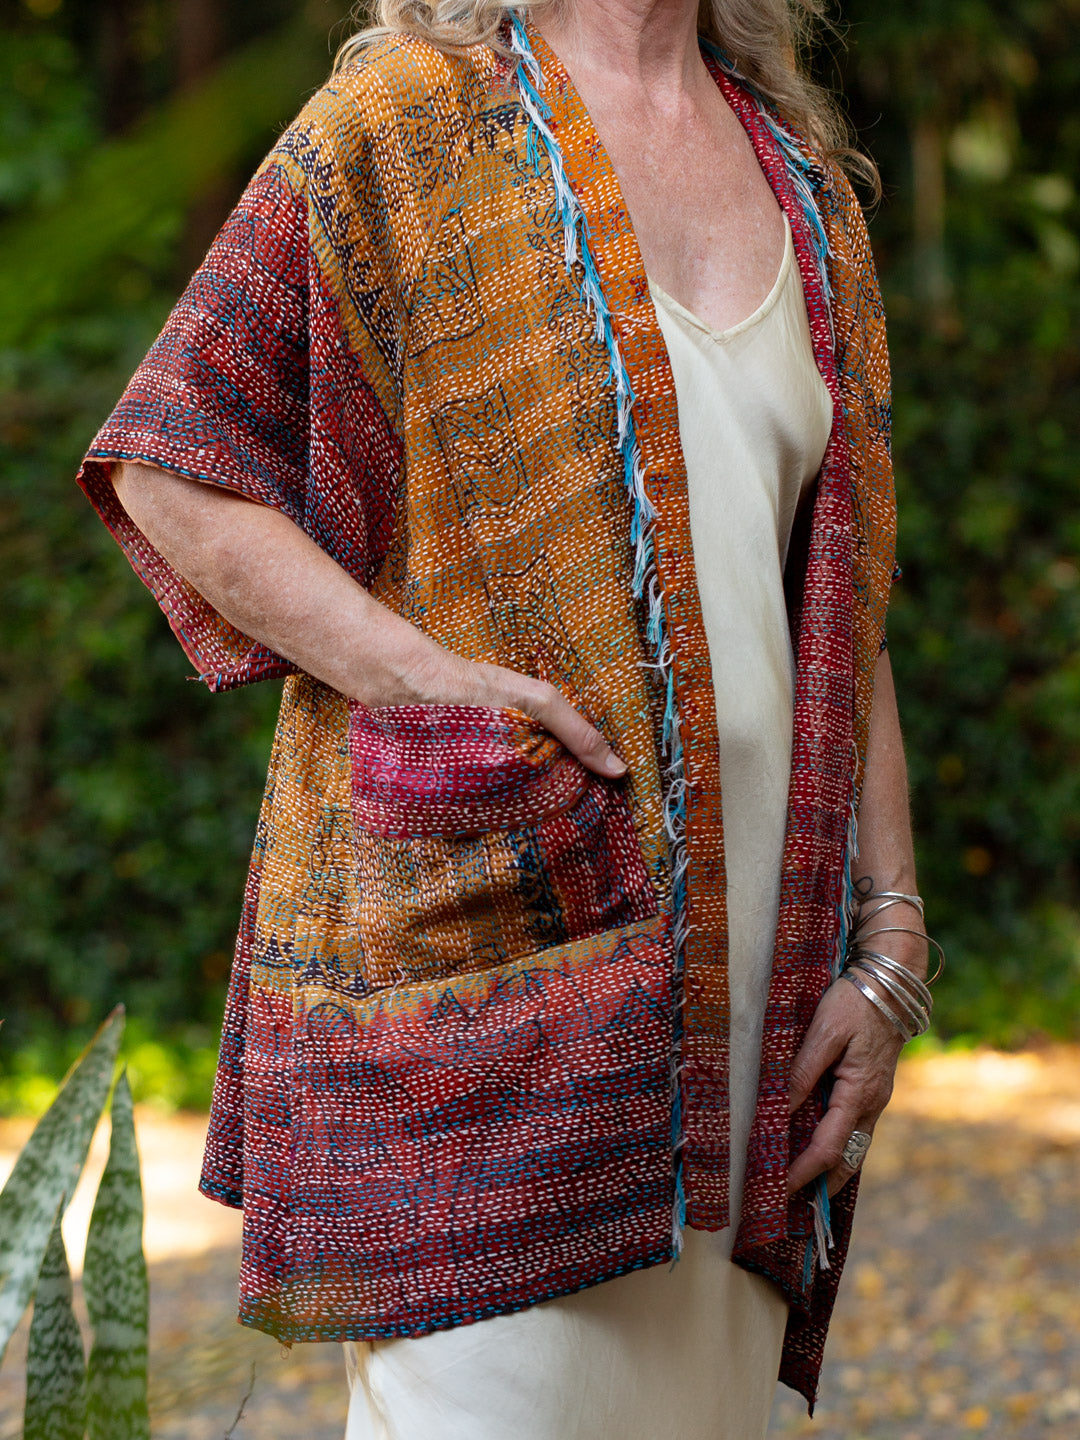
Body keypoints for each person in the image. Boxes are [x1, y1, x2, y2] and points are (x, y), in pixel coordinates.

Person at [77, 0, 940, 1435]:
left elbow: (846, 611)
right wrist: (419, 676)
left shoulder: (801, 183)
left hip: (761, 1024)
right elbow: (175, 464)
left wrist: (891, 935)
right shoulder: (406, 125)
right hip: (488, 989)